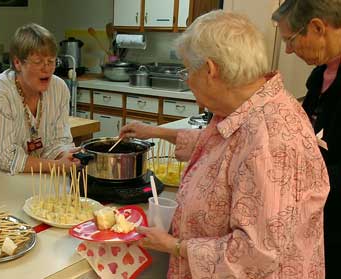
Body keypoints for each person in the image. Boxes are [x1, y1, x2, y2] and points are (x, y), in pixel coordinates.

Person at [119, 10, 329, 278]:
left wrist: (175, 246)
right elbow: (222, 148)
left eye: (187, 70)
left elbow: (256, 253)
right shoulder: (248, 110)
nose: (187, 80)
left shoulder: (270, 138)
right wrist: (154, 131)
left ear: (209, 70)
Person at [0, 23, 80, 174]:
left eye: (51, 61)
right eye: (38, 62)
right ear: (18, 63)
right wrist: (57, 166)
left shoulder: (58, 88)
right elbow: (5, 157)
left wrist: (66, 156)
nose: (47, 69)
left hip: (24, 173)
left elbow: (58, 140)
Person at [272, 1, 341, 277]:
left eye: (290, 39)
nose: (288, 50)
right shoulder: (319, 77)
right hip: (318, 211)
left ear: (317, 27)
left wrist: (303, 182)